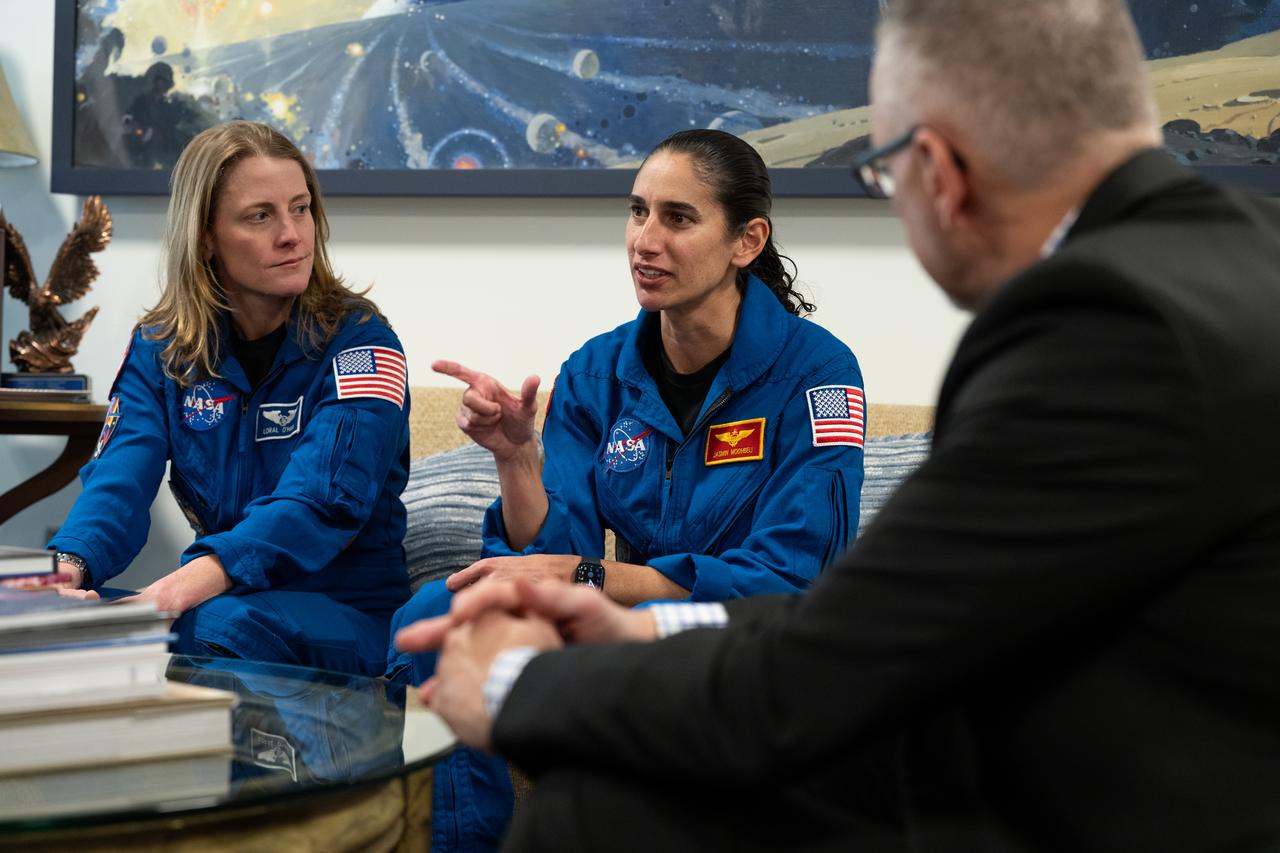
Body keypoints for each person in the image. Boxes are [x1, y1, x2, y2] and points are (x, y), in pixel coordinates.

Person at [397, 1, 1280, 851]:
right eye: (637, 212)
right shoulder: (1243, 253)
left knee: (603, 811)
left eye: (883, 174)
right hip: (1135, 740)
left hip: (1128, 796)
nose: (646, 239)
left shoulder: (1100, 324)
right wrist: (612, 601)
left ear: (937, 167)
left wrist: (522, 682)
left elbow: (843, 649)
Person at [388, 128, 867, 851]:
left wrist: (597, 577)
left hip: (745, 647)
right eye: (637, 211)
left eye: (678, 217)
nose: (645, 239)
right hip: (613, 636)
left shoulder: (820, 375)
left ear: (747, 240)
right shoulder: (597, 371)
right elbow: (552, 553)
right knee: (436, 611)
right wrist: (518, 463)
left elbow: (791, 578)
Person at [50, 120, 412, 677]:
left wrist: (168, 596)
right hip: (219, 602)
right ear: (206, 238)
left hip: (348, 619)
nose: (292, 234)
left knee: (204, 625)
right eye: (260, 216)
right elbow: (119, 480)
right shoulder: (162, 350)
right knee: (51, 626)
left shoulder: (363, 343)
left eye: (301, 208)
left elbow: (320, 501)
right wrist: (65, 573)